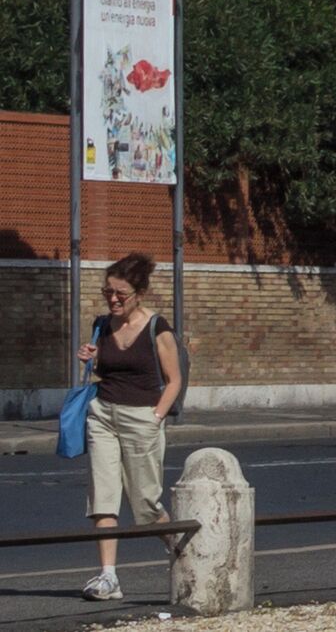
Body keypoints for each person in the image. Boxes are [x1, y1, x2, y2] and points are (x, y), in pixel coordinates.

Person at [82, 252, 183, 604]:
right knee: (103, 499)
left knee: (146, 505)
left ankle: (183, 554)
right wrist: (92, 359)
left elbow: (174, 381)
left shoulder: (158, 328)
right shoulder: (103, 324)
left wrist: (155, 418)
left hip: (142, 418)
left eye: (119, 294)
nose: (112, 299)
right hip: (103, 415)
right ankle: (108, 578)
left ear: (139, 293)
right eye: (107, 292)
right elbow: (108, 371)